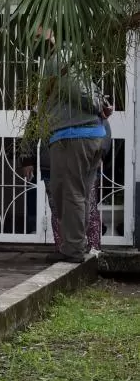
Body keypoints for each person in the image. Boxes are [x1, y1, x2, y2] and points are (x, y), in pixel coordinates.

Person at [37, 30, 108, 262]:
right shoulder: (64, 59)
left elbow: (83, 93)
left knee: (69, 194)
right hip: (86, 135)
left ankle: (73, 250)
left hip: (74, 136)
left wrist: (98, 104)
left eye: (39, 30)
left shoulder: (60, 59)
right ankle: (78, 245)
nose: (35, 36)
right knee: (78, 194)